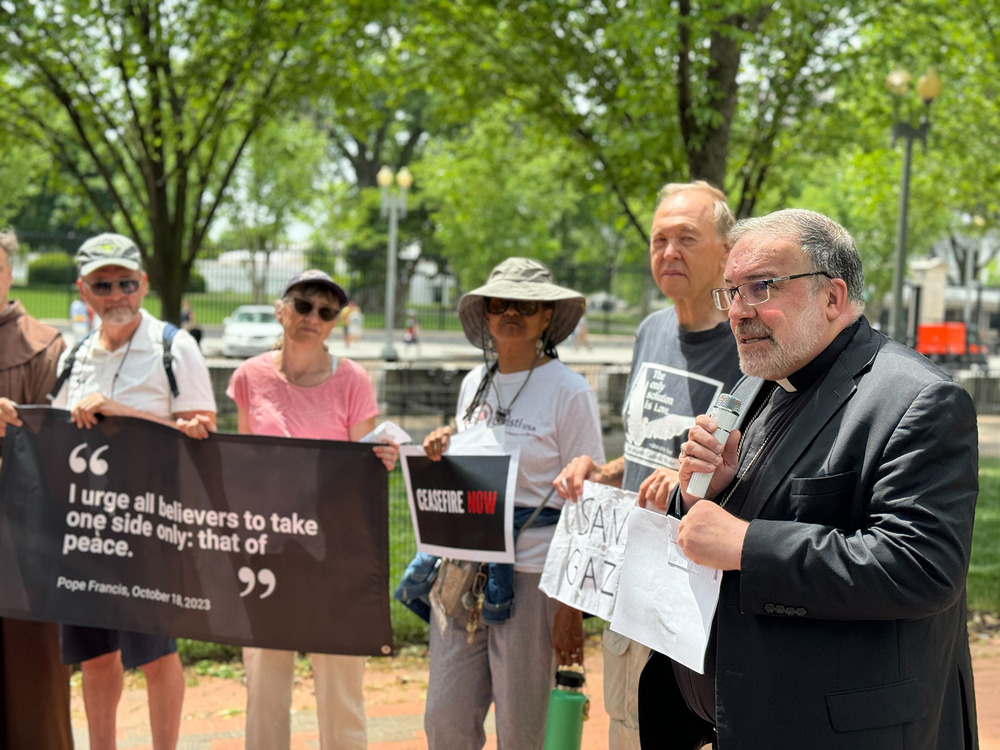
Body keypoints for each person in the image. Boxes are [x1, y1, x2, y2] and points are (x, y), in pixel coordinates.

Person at [656, 208, 979, 747]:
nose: (737, 311)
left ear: (832, 297)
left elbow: (923, 567)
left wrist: (746, 544)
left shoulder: (918, 399)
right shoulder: (760, 379)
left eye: (761, 287)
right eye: (731, 291)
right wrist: (708, 491)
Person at [553, 181, 741, 749]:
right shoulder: (650, 331)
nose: (669, 252)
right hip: (631, 580)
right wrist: (601, 471)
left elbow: (763, 463)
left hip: (706, 597)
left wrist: (691, 483)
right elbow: (642, 455)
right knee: (628, 731)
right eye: (659, 239)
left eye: (687, 238)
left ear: (728, 251)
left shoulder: (750, 342)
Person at [419, 257, 605, 749]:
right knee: (444, 719)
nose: (511, 313)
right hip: (463, 571)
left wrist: (570, 608)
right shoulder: (473, 385)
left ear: (546, 317)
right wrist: (445, 446)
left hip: (533, 575)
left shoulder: (570, 391)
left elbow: (590, 503)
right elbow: (473, 463)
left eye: (526, 304)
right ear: (485, 315)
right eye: (499, 303)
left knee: (523, 730)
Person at [44, 232, 215, 750]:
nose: (116, 294)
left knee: (156, 655)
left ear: (142, 285)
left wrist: (125, 416)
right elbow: (51, 439)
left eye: (126, 283)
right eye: (103, 284)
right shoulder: (73, 356)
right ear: (83, 291)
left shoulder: (174, 346)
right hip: (86, 532)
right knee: (95, 658)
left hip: (150, 530)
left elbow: (203, 431)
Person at [227, 269, 398, 750]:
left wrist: (382, 457)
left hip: (336, 555)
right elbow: (242, 462)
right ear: (281, 310)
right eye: (304, 306)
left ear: (334, 324)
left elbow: (365, 462)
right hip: (268, 553)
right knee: (264, 684)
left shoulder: (354, 380)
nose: (313, 318)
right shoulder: (249, 377)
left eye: (326, 312)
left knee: (342, 688)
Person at [0, 230, 74, 748]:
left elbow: (59, 446)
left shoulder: (43, 346)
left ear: (9, 272)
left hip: (23, 539)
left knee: (32, 677)